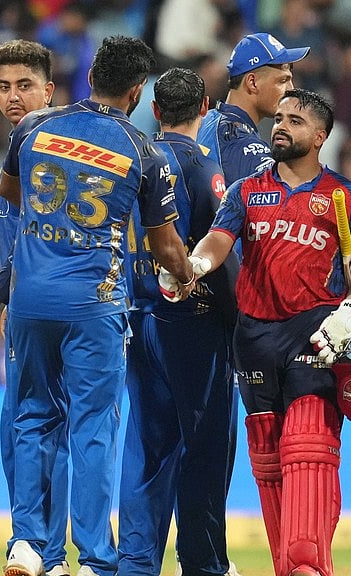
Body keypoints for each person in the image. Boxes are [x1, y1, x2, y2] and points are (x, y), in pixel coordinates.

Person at [0, 35, 196, 576]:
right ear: (136, 91)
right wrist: (187, 276)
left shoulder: (32, 129)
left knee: (33, 418)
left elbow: (11, 195)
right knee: (93, 428)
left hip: (31, 300)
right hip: (94, 304)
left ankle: (29, 545)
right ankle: (96, 561)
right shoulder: (143, 151)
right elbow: (166, 245)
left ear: (90, 80)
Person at [179, 88, 351, 576]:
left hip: (316, 334)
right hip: (253, 339)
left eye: (294, 120)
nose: (280, 125)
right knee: (270, 461)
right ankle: (291, 567)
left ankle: (306, 567)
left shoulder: (343, 196)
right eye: (280, 117)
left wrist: (350, 309)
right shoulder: (247, 189)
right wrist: (194, 264)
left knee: (309, 449)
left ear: (319, 136)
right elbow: (219, 241)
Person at [117, 67, 238, 576]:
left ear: (156, 110)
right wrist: (241, 321)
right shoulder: (200, 165)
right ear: (206, 107)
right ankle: (203, 563)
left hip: (137, 318)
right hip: (193, 323)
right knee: (206, 448)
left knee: (147, 449)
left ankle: (137, 563)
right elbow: (220, 244)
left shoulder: (133, 160)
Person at [0, 40, 72, 576]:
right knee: (23, 431)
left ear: (48, 90)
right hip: (27, 309)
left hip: (50, 308)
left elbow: (36, 238)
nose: (13, 96)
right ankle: (37, 546)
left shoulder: (52, 148)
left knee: (38, 427)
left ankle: (42, 550)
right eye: (4, 86)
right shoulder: (15, 146)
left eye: (24, 85)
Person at [197, 32, 310, 185]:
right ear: (253, 82)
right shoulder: (241, 144)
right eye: (283, 80)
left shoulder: (205, 120)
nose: (291, 89)